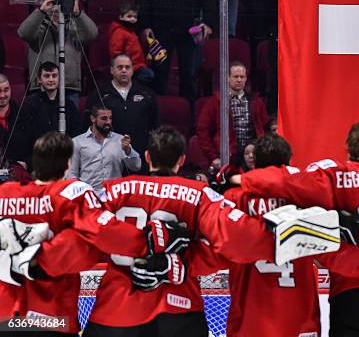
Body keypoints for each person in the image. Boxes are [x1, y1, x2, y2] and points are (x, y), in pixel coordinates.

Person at [83, 126, 340, 337]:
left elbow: (84, 230)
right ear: (182, 160)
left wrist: (133, 242)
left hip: (113, 313)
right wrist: (181, 263)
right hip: (180, 310)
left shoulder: (113, 189)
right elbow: (236, 238)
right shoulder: (198, 194)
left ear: (147, 157)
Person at [234, 119, 359, 337]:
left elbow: (285, 181)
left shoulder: (336, 177)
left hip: (350, 294)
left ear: (348, 148)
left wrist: (239, 179)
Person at [207, 133, 359, 337]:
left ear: (255, 161)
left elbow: (218, 246)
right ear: (288, 161)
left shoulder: (234, 199)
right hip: (300, 319)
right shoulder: (305, 200)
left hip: (250, 319)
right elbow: (331, 253)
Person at [0, 131, 175, 335]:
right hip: (52, 318)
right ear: (68, 163)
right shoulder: (70, 193)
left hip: (5, 315)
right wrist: (151, 241)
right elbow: (102, 230)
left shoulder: (5, 194)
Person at [17, 0, 98, 107]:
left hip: (69, 87)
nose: (57, 4)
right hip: (41, 87)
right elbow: (23, 33)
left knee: (70, 124)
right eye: (53, 0)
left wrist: (77, 13)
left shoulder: (75, 25)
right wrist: (41, 11)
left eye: (60, 0)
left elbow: (92, 34)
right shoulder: (38, 25)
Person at [84, 54, 159, 162]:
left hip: (140, 156)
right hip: (107, 158)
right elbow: (88, 127)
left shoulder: (147, 94)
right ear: (112, 70)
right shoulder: (98, 95)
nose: (124, 70)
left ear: (132, 70)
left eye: (127, 67)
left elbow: (154, 126)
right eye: (120, 67)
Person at [197, 61, 269, 169]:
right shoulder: (215, 102)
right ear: (228, 78)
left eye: (242, 77)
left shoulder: (257, 101)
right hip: (227, 158)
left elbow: (266, 128)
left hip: (253, 157)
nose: (239, 80)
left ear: (246, 79)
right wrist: (213, 157)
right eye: (235, 76)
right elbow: (203, 132)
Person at [68, 105, 142, 194]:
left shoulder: (120, 140)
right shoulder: (77, 142)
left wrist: (128, 150)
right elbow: (72, 174)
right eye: (104, 119)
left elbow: (136, 167)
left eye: (110, 118)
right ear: (93, 119)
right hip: (88, 196)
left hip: (115, 196)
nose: (108, 122)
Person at [20, 61, 81, 166]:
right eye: (47, 76)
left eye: (54, 76)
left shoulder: (69, 105)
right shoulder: (30, 105)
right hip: (40, 159)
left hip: (66, 158)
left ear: (59, 78)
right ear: (39, 79)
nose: (51, 79)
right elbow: (27, 137)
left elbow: (76, 133)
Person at [108, 1, 154, 86]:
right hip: (128, 67)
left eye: (135, 17)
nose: (132, 19)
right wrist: (123, 66)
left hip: (137, 65)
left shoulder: (130, 30)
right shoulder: (119, 32)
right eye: (129, 16)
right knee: (148, 75)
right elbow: (115, 52)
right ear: (120, 17)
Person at [0, 74, 28, 170]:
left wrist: (26, 163)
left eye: (6, 90)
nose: (2, 95)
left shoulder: (23, 115)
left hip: (20, 173)